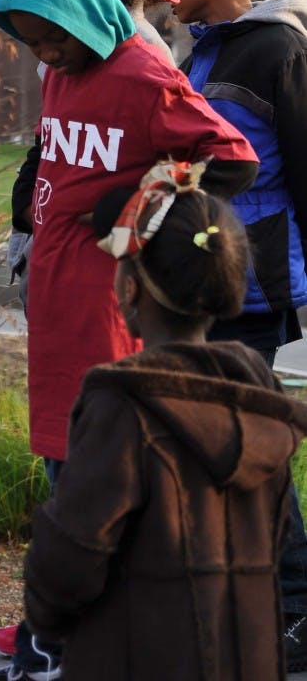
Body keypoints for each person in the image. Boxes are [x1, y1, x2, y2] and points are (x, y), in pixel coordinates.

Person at [0, 0, 258, 681]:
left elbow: (230, 158)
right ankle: (58, 640)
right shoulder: (65, 73)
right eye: (29, 42)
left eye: (50, 37)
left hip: (105, 310)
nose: (43, 57)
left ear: (83, 11)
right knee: (63, 469)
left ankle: (67, 647)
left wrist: (136, 209)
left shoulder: (140, 73)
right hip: (55, 306)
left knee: (92, 486)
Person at [21, 161, 307, 681]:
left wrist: (46, 624)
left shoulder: (120, 406)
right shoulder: (259, 400)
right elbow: (279, 531)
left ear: (130, 290)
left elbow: (68, 564)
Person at [170, 0, 307, 671]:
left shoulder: (277, 50)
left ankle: (293, 608)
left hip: (258, 287)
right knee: (223, 450)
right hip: (211, 283)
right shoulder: (204, 52)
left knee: (252, 453)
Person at [8, 0, 176, 317]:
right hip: (54, 251)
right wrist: (30, 194)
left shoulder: (140, 51)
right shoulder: (69, 32)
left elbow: (176, 163)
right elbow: (53, 133)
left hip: (102, 274)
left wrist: (118, 210)